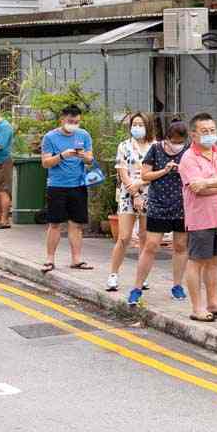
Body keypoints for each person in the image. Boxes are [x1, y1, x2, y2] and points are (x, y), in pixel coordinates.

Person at [178, 112, 217, 322]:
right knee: (197, 261)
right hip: (200, 218)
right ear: (193, 135)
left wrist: (207, 182)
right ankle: (197, 308)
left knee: (214, 262)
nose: (210, 134)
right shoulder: (188, 158)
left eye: (212, 130)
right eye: (205, 131)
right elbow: (196, 189)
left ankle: (213, 302)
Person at [130, 119, 190, 307]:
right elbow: (145, 175)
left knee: (180, 245)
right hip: (159, 204)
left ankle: (177, 286)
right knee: (151, 245)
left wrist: (182, 170)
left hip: (183, 206)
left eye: (181, 141)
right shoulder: (156, 149)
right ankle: (137, 288)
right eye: (174, 140)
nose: (177, 145)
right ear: (167, 138)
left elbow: (196, 174)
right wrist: (164, 171)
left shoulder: (189, 151)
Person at [39, 104, 96, 274]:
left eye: (77, 121)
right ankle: (50, 259)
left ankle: (76, 260)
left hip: (78, 185)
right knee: (55, 223)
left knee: (76, 224)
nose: (74, 124)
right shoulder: (50, 137)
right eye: (71, 121)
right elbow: (45, 163)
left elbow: (90, 159)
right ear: (62, 119)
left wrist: (83, 156)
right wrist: (64, 155)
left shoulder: (84, 135)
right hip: (57, 185)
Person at [106, 112, 151, 293]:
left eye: (141, 124)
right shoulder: (124, 146)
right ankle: (113, 274)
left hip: (149, 193)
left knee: (145, 237)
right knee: (124, 237)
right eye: (135, 124)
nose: (137, 128)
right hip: (128, 194)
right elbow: (122, 171)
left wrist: (141, 187)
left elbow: (155, 172)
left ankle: (142, 276)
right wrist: (134, 193)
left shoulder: (154, 147)